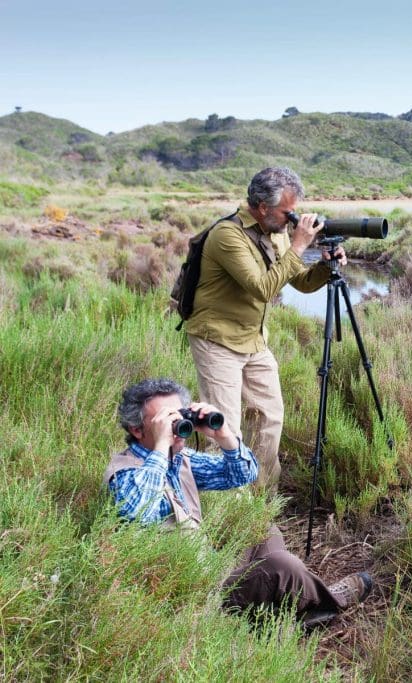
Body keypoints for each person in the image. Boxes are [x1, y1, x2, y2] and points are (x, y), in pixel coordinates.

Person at [104, 378, 371, 628]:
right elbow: (140, 509)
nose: (176, 427)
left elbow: (243, 474)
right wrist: (162, 446)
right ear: (137, 429)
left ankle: (278, 612)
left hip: (208, 569)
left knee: (262, 531)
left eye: (179, 416)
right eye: (165, 420)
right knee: (281, 566)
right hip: (184, 595)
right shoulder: (125, 472)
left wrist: (223, 436)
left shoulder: (180, 459)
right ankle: (327, 602)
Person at [184, 166, 345, 493]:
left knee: (269, 421)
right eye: (287, 211)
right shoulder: (227, 235)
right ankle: (225, 509)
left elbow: (299, 281)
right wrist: (300, 246)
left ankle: (260, 502)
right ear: (261, 207)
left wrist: (326, 266)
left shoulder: (277, 230)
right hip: (217, 340)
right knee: (225, 430)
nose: (293, 218)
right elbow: (263, 289)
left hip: (254, 340)